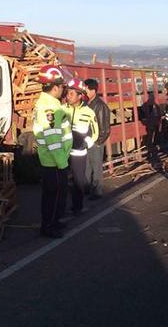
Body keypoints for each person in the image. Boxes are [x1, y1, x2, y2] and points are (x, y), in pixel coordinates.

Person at [32, 65, 72, 238]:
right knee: (55, 195)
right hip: (55, 161)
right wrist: (62, 163)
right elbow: (53, 138)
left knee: (52, 195)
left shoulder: (49, 104)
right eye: (62, 86)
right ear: (55, 87)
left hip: (53, 159)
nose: (63, 90)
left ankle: (53, 221)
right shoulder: (49, 107)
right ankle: (49, 226)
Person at [64, 78, 99, 215]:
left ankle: (77, 207)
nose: (68, 96)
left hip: (78, 153)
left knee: (78, 181)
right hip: (63, 152)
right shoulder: (62, 110)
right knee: (64, 181)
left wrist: (86, 143)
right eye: (67, 93)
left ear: (80, 96)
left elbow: (95, 132)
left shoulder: (89, 112)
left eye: (71, 94)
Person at [84, 78, 111, 200]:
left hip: (95, 142)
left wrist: (98, 142)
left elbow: (105, 128)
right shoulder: (87, 104)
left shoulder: (100, 106)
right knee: (87, 166)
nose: (85, 91)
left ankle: (97, 191)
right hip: (87, 141)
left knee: (96, 166)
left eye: (86, 89)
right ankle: (87, 188)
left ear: (93, 90)